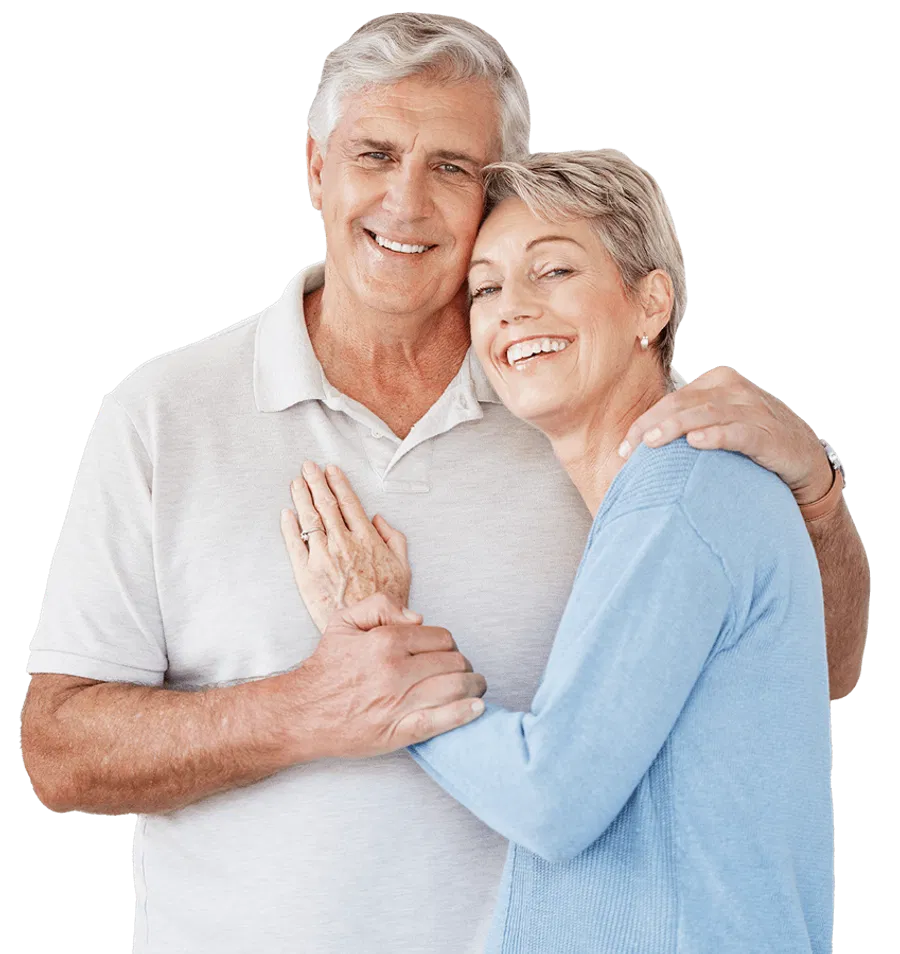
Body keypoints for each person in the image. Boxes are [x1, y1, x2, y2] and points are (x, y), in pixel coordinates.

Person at [21, 12, 866, 954]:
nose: (407, 202)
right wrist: (306, 708)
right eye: (374, 153)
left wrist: (818, 501)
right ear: (316, 167)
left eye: (453, 168)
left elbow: (809, 677)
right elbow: (58, 754)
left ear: (495, 192)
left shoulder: (577, 411)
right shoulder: (163, 415)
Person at [286, 149, 834, 952]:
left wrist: (384, 647)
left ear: (650, 303)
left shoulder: (682, 497)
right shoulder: (665, 501)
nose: (512, 309)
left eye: (554, 272)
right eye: (486, 287)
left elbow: (553, 799)